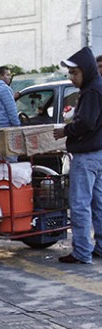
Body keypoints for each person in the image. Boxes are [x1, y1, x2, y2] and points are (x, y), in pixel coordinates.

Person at [54, 46, 102, 264]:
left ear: (86, 71)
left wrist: (66, 130)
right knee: (98, 203)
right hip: (98, 154)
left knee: (80, 204)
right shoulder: (96, 87)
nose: (72, 78)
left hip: (86, 156)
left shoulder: (92, 90)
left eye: (75, 73)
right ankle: (99, 247)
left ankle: (82, 252)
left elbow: (86, 123)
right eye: (70, 74)